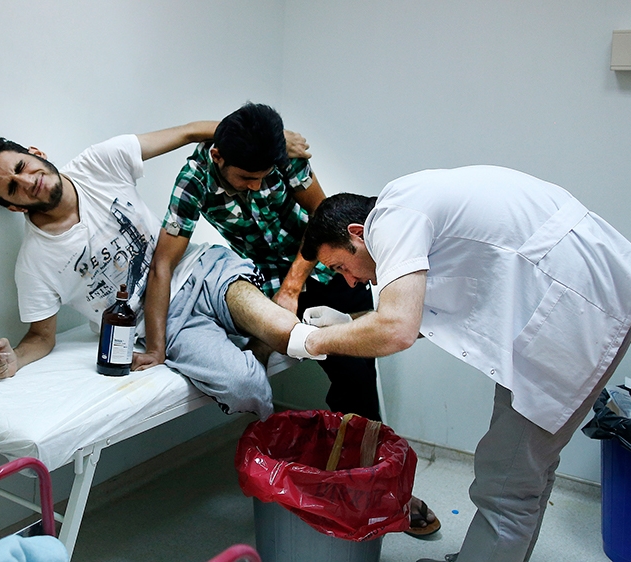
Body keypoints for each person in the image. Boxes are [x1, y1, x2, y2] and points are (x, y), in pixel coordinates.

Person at [291, 166, 631, 562]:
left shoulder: (393, 218)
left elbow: (397, 329)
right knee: (525, 472)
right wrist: (349, 324)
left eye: (341, 267)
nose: (349, 281)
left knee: (507, 482)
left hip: (576, 315)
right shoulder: (411, 208)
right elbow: (410, 320)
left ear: (357, 233)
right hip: (576, 305)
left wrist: (310, 341)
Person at [140, 103, 438, 535]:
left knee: (354, 365)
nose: (257, 186)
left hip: (323, 264)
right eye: (247, 179)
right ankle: (292, 460)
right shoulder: (193, 181)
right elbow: (163, 264)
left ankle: (385, 491)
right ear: (219, 157)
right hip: (258, 276)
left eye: (264, 178)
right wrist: (155, 346)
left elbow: (326, 220)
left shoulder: (286, 157)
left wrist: (294, 285)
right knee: (246, 354)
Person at [0, 122, 303, 420]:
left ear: (35, 153)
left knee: (283, 333)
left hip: (202, 271)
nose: (27, 181)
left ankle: (260, 338)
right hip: (162, 325)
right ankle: (252, 348)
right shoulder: (35, 263)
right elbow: (41, 336)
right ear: (12, 205)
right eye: (12, 187)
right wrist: (14, 360)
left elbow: (189, 132)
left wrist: (268, 143)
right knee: (247, 388)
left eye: (22, 165)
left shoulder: (99, 162)